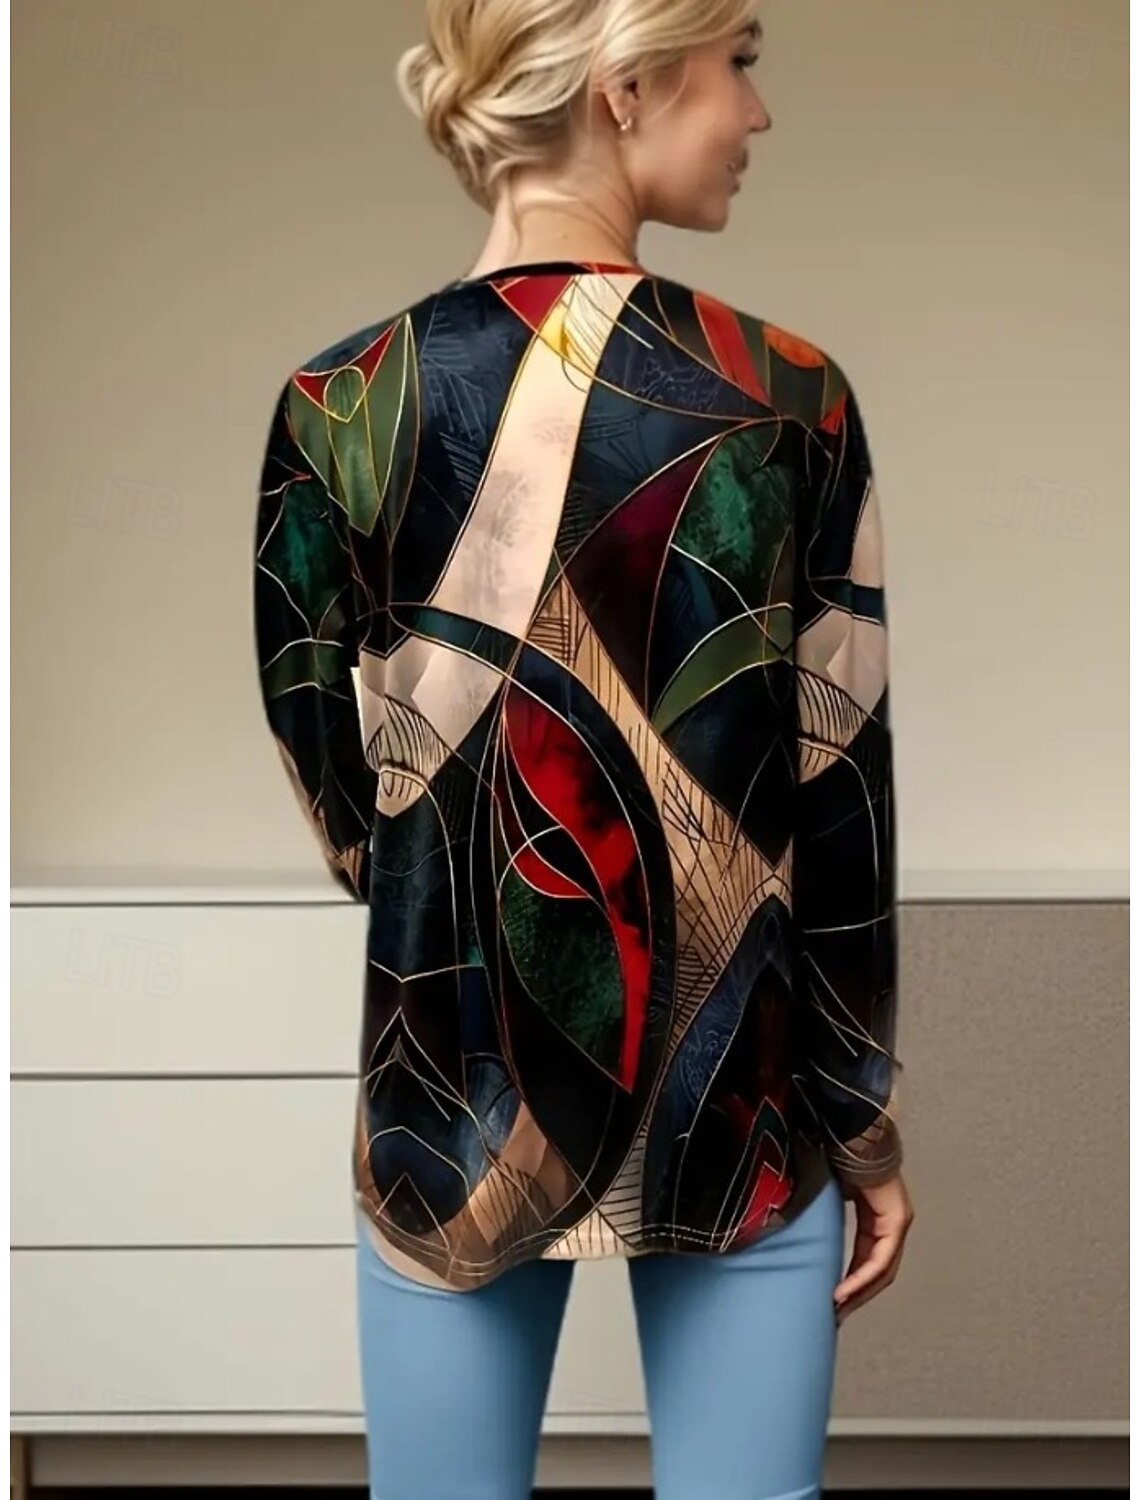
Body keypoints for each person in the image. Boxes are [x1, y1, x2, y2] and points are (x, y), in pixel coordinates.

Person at [253, 2, 915, 1495]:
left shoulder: (342, 404)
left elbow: (338, 785)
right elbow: (840, 803)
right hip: (742, 1105)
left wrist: (464, 900)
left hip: (451, 1094)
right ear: (626, 85)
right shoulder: (793, 397)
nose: (757, 114)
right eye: (739, 62)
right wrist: (864, 1121)